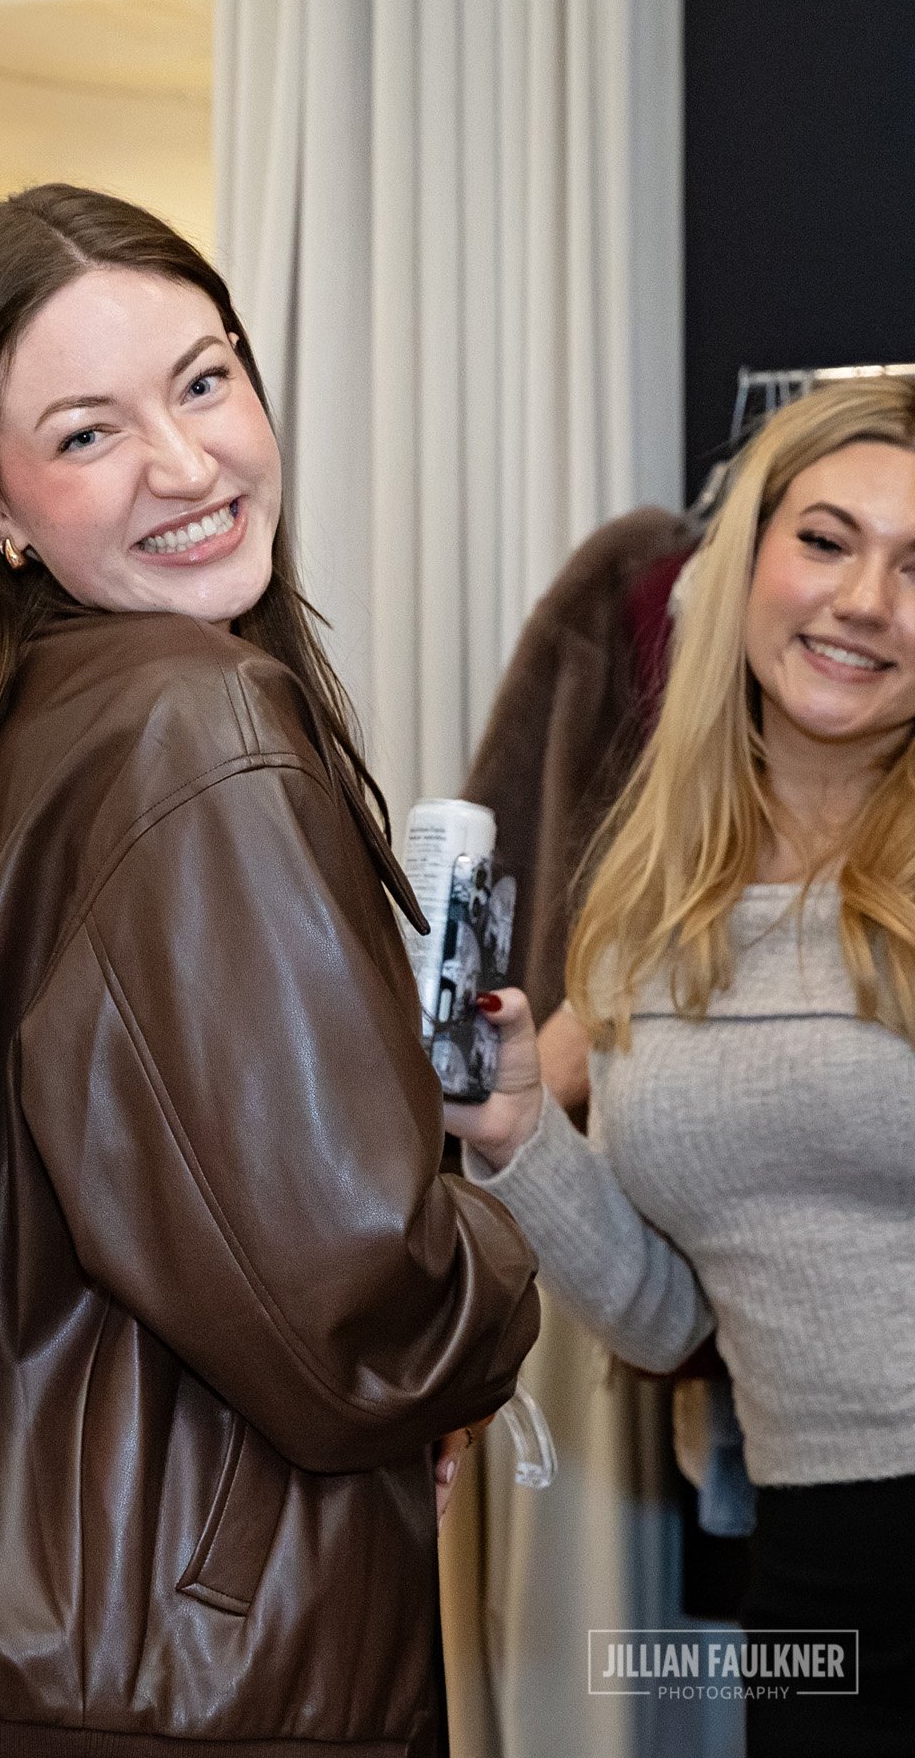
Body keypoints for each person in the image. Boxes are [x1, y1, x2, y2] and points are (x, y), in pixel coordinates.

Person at [0, 183, 540, 1758]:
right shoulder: (185, 721)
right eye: (87, 434)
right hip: (193, 1682)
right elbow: (362, 1318)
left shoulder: (13, 734)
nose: (188, 464)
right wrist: (490, 1259)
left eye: (205, 381)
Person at [447, 378, 915, 1758]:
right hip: (811, 1556)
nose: (865, 599)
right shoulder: (657, 906)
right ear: (746, 560)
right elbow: (665, 1320)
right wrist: (521, 1129)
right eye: (826, 540)